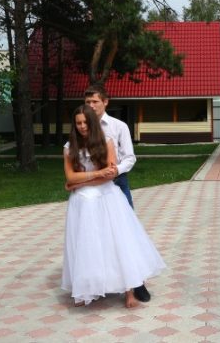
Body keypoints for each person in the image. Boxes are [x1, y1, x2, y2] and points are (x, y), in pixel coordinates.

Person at [61, 105, 165, 308]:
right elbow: (70, 176)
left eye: (85, 122)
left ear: (92, 122)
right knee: (86, 245)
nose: (82, 126)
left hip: (107, 197)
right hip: (82, 201)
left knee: (118, 241)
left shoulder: (106, 142)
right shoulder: (69, 147)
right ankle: (86, 288)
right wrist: (94, 174)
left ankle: (129, 291)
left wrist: (81, 181)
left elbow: (109, 175)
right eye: (78, 123)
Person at [83, 85, 152, 303]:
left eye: (95, 101)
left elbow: (130, 157)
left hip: (117, 182)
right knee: (96, 233)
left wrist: (116, 171)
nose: (91, 106)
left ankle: (137, 282)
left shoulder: (118, 126)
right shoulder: (82, 126)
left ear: (105, 102)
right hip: (91, 186)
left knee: (126, 231)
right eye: (88, 102)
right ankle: (101, 280)